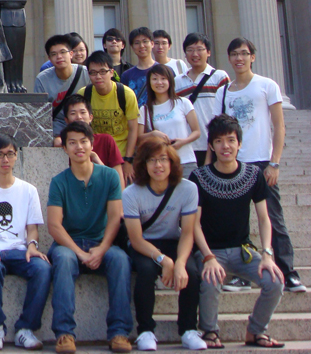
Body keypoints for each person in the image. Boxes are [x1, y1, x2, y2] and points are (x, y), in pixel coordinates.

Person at [213, 38, 305, 293]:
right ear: (229, 58)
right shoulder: (225, 91)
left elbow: (279, 126)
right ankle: (241, 273)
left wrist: (274, 162)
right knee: (238, 223)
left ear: (252, 56)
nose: (239, 58)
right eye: (234, 54)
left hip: (262, 162)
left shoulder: (267, 85)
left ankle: (288, 272)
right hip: (234, 164)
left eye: (244, 53)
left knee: (274, 218)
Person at [190, 114, 285, 349]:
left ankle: (256, 331)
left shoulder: (253, 175)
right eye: (219, 141)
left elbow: (264, 218)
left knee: (274, 281)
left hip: (243, 250)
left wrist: (267, 254)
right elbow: (193, 224)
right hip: (210, 251)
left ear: (239, 143)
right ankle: (210, 331)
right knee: (211, 279)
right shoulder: (199, 177)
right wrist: (209, 257)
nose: (226, 146)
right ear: (211, 145)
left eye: (231, 140)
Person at [47, 122, 133, 354]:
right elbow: (54, 225)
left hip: (101, 242)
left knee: (121, 260)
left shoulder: (109, 177)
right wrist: (80, 252)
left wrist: (102, 249)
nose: (79, 147)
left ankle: (119, 332)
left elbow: (116, 218)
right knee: (63, 260)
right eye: (72, 143)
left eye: (83, 141)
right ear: (64, 148)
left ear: (92, 144)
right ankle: (64, 333)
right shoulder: (59, 181)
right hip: (69, 244)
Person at [0, 134, 51, 351]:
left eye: (10, 154)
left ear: (16, 156)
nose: (5, 159)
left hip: (19, 250)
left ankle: (26, 329)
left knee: (42, 268)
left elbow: (32, 229)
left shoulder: (28, 190)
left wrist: (32, 246)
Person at [123, 136, 205, 351]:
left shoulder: (188, 189)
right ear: (143, 164)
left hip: (173, 240)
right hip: (144, 245)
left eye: (163, 159)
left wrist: (178, 263)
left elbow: (187, 233)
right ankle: (146, 331)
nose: (158, 165)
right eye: (151, 160)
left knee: (191, 272)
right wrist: (164, 260)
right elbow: (136, 239)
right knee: (146, 270)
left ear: (172, 162)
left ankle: (188, 330)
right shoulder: (131, 193)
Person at [78, 51, 138, 184]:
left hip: (121, 155)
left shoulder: (126, 94)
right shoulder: (83, 94)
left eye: (103, 71)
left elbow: (134, 129)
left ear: (111, 72)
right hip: (95, 153)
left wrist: (128, 160)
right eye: (93, 73)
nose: (98, 76)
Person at [174, 33, 229, 167]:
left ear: (208, 52)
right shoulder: (178, 82)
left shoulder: (219, 77)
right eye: (190, 50)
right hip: (187, 146)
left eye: (199, 49)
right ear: (185, 54)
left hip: (213, 144)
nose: (195, 54)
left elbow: (226, 111)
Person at [137, 64, 201, 178]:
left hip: (186, 161)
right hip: (161, 164)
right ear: (149, 82)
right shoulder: (145, 109)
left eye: (163, 79)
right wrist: (152, 134)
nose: (159, 82)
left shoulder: (183, 103)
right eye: (155, 79)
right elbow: (138, 138)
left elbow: (196, 131)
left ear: (170, 81)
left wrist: (183, 141)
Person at [34, 34, 90, 146]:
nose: (59, 57)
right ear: (49, 59)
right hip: (58, 128)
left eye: (63, 52)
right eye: (54, 54)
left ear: (71, 54)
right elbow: (40, 114)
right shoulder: (42, 79)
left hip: (85, 124)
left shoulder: (86, 73)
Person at [62, 94, 124, 189]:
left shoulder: (106, 140)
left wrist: (96, 159)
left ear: (91, 117)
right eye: (73, 113)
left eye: (83, 112)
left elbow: (119, 184)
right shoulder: (66, 144)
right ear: (66, 120)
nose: (79, 117)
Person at [121, 27, 158, 108]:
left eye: (145, 41)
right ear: (132, 47)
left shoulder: (164, 70)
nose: (141, 46)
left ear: (152, 44)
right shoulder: (127, 75)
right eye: (137, 43)